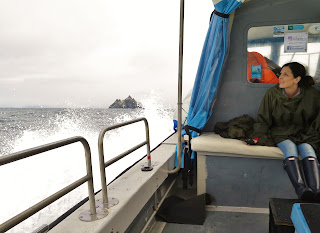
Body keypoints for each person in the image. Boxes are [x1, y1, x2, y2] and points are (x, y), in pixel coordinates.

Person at [249, 62, 320, 201]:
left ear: (297, 79)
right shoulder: (272, 94)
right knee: (290, 148)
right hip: (281, 132)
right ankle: (302, 190)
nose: (280, 77)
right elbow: (264, 119)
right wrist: (256, 136)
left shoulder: (312, 95)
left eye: (285, 74)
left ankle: (317, 192)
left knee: (308, 150)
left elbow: (317, 121)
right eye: (280, 74)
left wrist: (311, 134)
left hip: (305, 134)